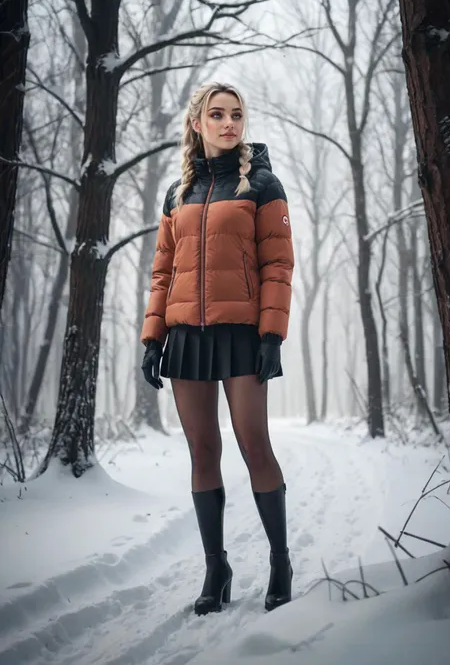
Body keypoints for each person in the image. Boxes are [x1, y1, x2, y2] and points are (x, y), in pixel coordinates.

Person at [141, 81, 294, 616]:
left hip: (242, 334)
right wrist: (152, 337)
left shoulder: (262, 185)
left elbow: (278, 266)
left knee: (255, 444)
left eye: (237, 114)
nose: (229, 123)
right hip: (185, 336)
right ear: (197, 123)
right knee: (203, 453)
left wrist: (272, 335)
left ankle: (280, 560)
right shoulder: (177, 194)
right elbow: (164, 271)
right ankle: (216, 568)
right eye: (217, 114)